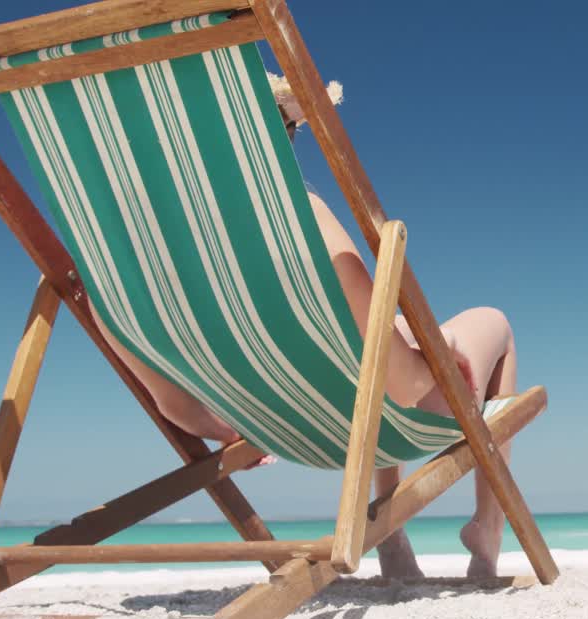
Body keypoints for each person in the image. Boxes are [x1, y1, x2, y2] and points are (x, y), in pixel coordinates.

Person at [91, 75, 517, 580]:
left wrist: (233, 430)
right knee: (493, 325)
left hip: (292, 430)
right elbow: (407, 385)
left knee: (382, 333)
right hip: (377, 420)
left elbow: (179, 408)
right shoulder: (301, 220)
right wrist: (439, 347)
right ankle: (487, 528)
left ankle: (389, 532)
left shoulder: (106, 264)